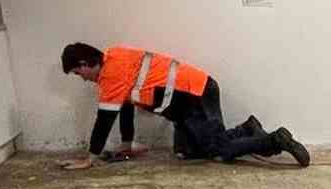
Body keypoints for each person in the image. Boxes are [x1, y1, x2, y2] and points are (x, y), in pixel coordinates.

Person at [59, 43, 309, 169]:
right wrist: (126, 147)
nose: (82, 78)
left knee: (217, 150)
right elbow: (124, 107)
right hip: (187, 102)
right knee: (185, 152)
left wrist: (89, 159)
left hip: (195, 95)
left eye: (78, 72)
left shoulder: (111, 75)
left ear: (85, 62)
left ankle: (276, 140)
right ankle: (247, 129)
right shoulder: (114, 57)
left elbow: (104, 121)